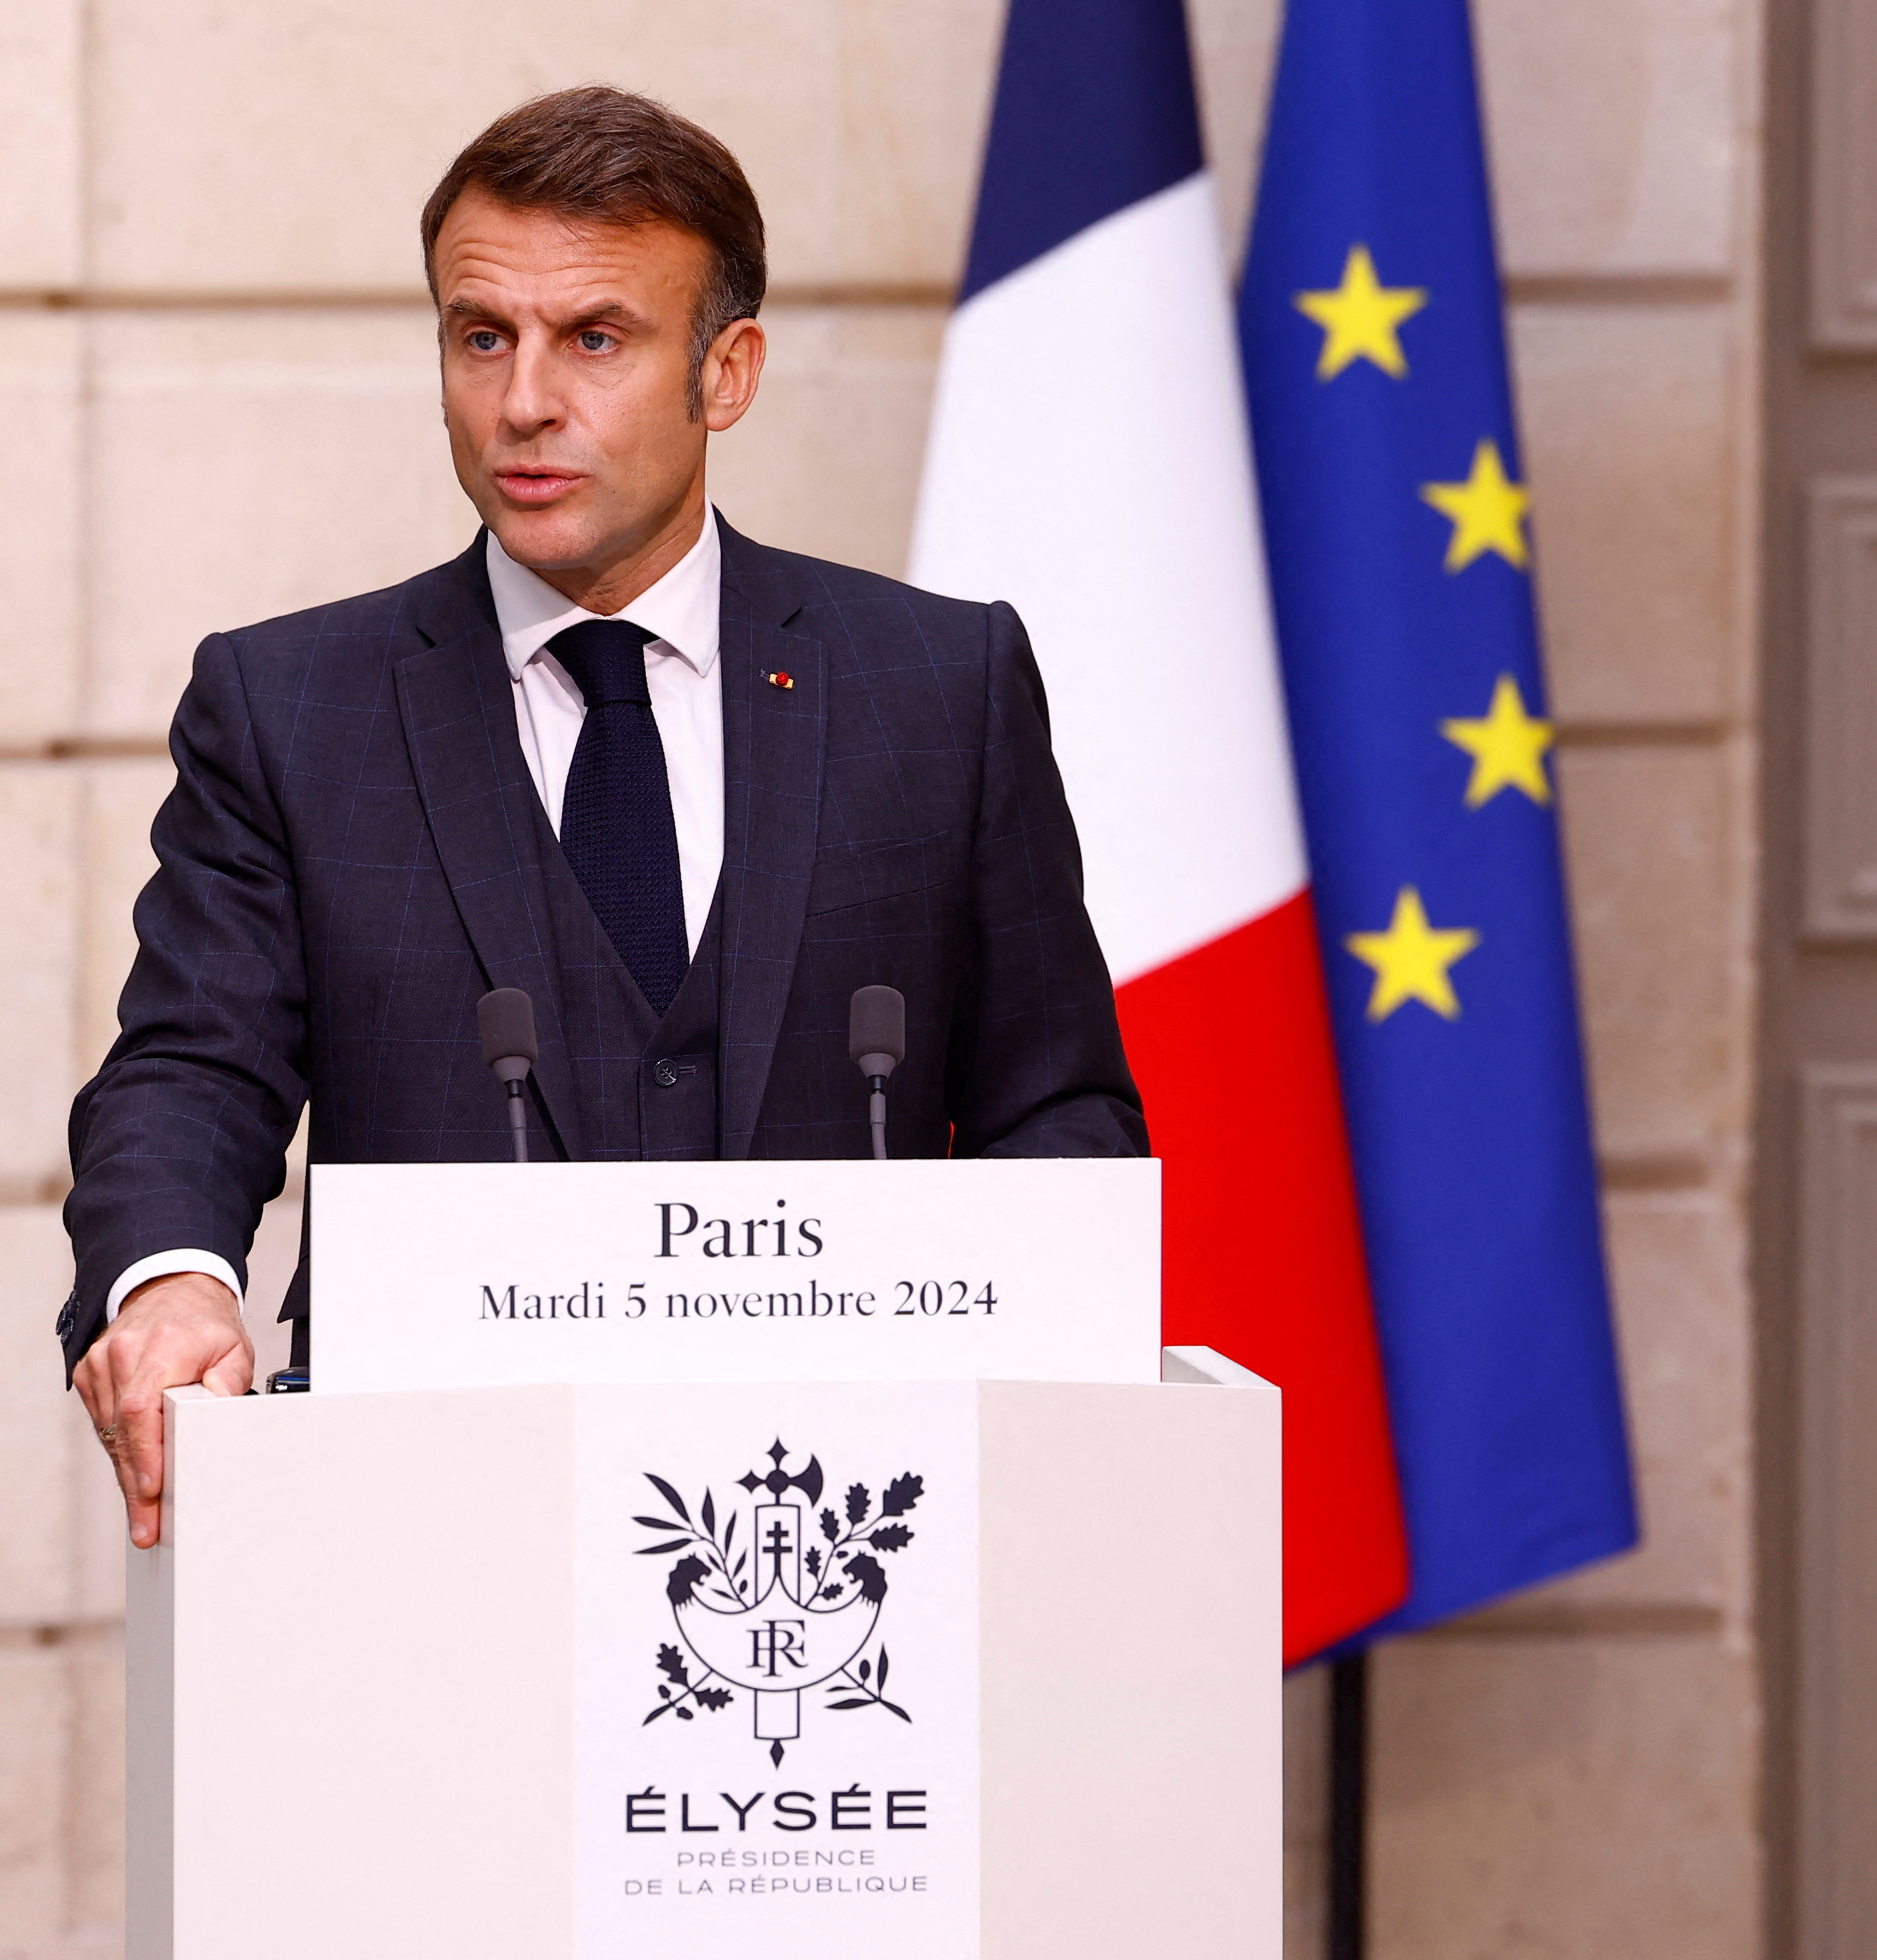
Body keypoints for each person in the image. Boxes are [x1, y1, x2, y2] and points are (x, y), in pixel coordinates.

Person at [64, 85, 1144, 1546]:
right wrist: (172, 1276)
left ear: (728, 370)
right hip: (422, 1532)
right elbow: (191, 1068)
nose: (522, 403)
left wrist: (1020, 1397)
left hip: (851, 1547)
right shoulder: (286, 705)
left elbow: (1056, 1105)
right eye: (480, 335)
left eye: (596, 339)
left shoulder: (940, 686)